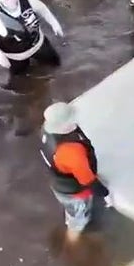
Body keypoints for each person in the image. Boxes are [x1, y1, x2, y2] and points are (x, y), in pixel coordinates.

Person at [40, 101, 112, 244]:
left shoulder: (47, 131)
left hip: (61, 181)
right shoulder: (72, 152)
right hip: (75, 194)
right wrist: (104, 192)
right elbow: (88, 182)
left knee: (74, 211)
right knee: (77, 219)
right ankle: (72, 244)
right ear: (64, 125)